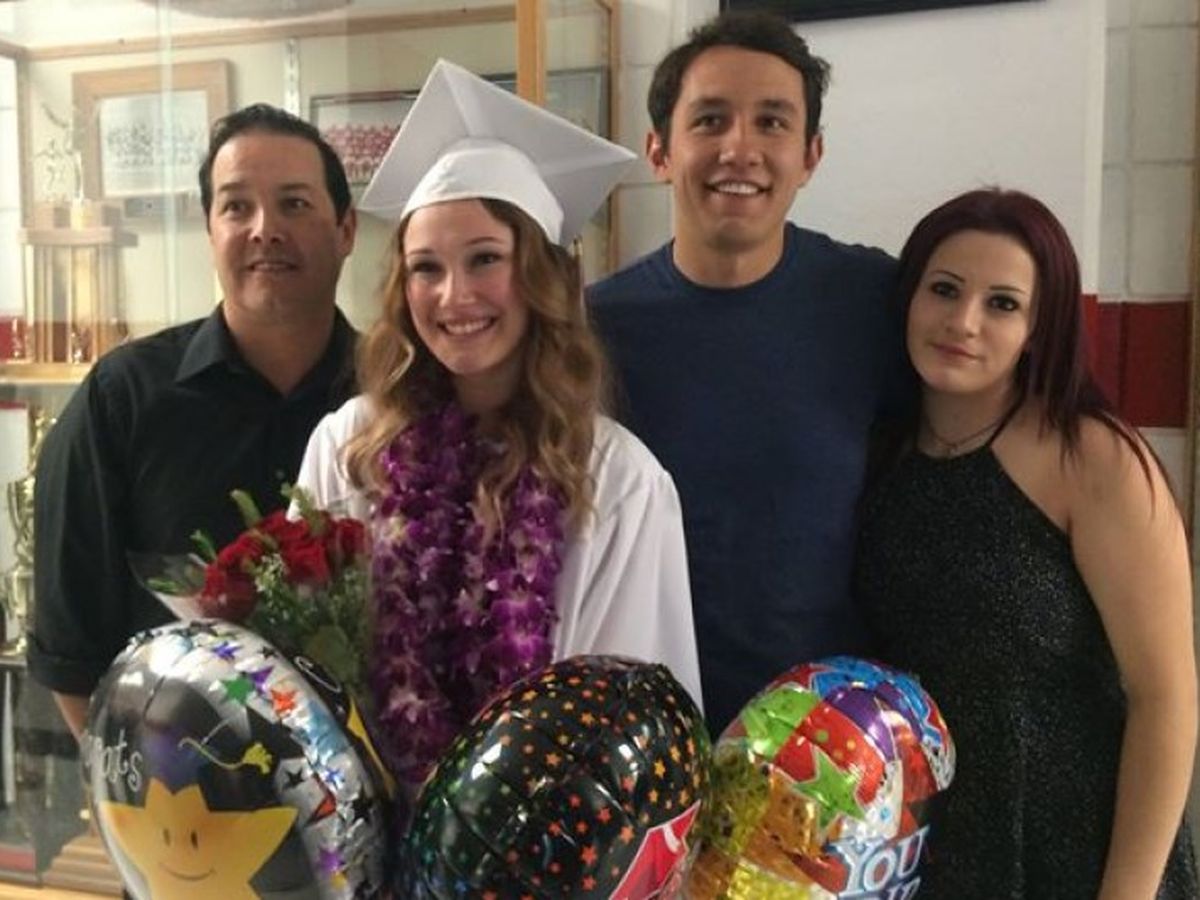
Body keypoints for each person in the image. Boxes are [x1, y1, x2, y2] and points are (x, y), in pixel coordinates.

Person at [292, 60, 703, 795]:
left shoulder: (616, 481)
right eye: (426, 268)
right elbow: (300, 678)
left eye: (485, 258)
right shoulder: (350, 450)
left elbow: (627, 730)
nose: (454, 296)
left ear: (541, 274)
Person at [854, 188, 1198, 898]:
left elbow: (1165, 697)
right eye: (944, 290)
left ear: (1039, 329)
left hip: (1079, 850)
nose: (963, 322)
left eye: (1002, 304)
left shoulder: (1091, 456)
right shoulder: (882, 453)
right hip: (929, 852)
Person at [588, 11, 907, 732]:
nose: (740, 149)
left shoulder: (874, 303)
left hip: (828, 741)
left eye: (772, 122)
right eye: (710, 120)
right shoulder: (593, 330)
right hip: (643, 734)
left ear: (811, 155)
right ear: (659, 150)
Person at [29, 103, 359, 740]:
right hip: (173, 786)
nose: (265, 229)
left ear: (345, 229)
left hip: (381, 787)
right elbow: (69, 650)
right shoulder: (121, 400)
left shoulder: (396, 398)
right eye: (236, 206)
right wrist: (141, 790)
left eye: (294, 204)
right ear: (209, 229)